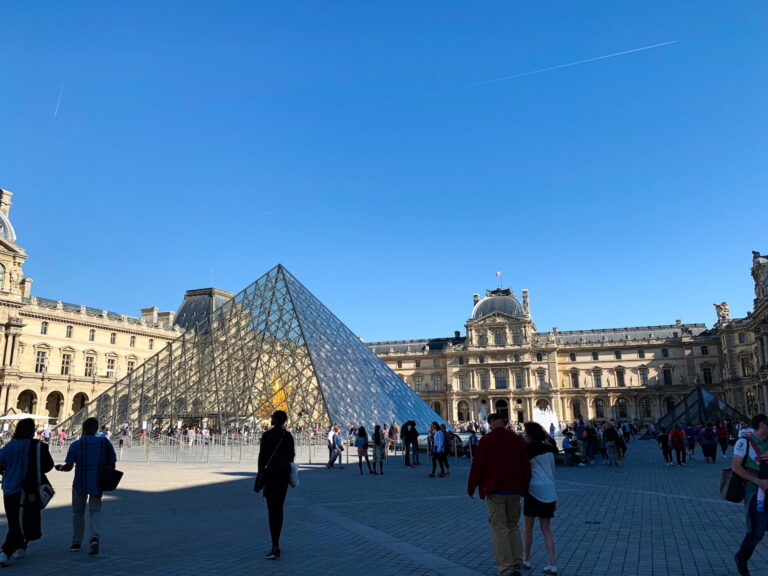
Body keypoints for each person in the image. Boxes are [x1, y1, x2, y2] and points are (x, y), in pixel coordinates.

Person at [467, 413, 532, 576]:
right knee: (513, 525)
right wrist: (525, 486)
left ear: (490, 424)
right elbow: (525, 464)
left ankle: (505, 568)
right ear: (504, 423)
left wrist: (471, 487)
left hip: (495, 489)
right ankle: (517, 561)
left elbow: (478, 466)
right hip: (515, 490)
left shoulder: (486, 440)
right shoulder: (516, 439)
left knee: (499, 529)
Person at [55, 416, 117, 555]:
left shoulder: (76, 445)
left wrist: (59, 468)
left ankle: (76, 542)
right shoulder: (104, 443)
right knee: (95, 510)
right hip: (98, 482)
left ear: (83, 429)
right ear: (96, 429)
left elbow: (69, 466)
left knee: (78, 512)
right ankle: (95, 538)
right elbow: (112, 462)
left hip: (80, 482)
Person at [0, 418, 54, 566]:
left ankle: (20, 547)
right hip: (30, 489)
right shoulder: (39, 446)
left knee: (14, 520)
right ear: (32, 431)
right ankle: (6, 551)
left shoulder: (10, 446)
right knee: (26, 518)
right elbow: (49, 465)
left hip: (10, 488)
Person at [257, 410, 295, 560]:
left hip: (270, 476)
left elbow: (262, 457)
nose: (270, 419)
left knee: (271, 509)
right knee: (279, 508)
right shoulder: (288, 436)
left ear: (275, 420)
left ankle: (275, 545)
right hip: (283, 476)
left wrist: (260, 476)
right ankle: (276, 543)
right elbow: (292, 456)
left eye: (272, 417)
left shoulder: (267, 435)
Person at [521, 422, 558, 575]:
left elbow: (524, 470)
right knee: (546, 529)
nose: (524, 435)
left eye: (525, 433)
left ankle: (526, 559)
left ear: (530, 435)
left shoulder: (527, 449)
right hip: (550, 491)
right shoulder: (550, 449)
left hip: (533, 491)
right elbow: (553, 470)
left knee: (528, 527)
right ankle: (552, 563)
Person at [733, 413, 768, 576]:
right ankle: (742, 557)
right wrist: (757, 481)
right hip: (755, 491)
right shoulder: (743, 442)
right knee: (757, 531)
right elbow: (736, 467)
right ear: (762, 425)